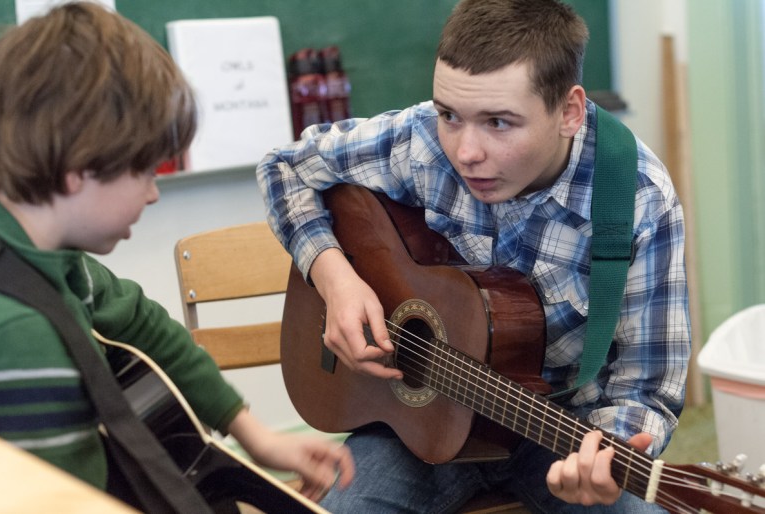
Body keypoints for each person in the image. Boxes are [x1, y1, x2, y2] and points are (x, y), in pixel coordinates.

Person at [257, 0, 690, 512]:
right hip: (416, 427)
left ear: (569, 112)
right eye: (449, 115)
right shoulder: (420, 141)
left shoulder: (637, 197)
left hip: (559, 431)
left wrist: (606, 455)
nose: (465, 151)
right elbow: (285, 167)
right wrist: (334, 278)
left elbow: (647, 387)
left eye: (499, 123)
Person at [0, 2, 353, 510]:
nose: (153, 194)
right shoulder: (21, 339)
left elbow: (146, 326)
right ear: (80, 168)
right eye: (144, 171)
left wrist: (254, 435)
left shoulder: (53, 263)